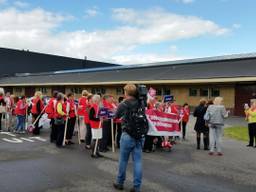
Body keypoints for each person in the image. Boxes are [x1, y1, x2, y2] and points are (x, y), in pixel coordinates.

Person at [113, 84, 145, 192]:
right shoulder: (141, 103)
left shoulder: (124, 104)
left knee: (123, 160)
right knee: (138, 162)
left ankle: (120, 182)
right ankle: (137, 187)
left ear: (126, 92)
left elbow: (116, 116)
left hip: (127, 135)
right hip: (139, 135)